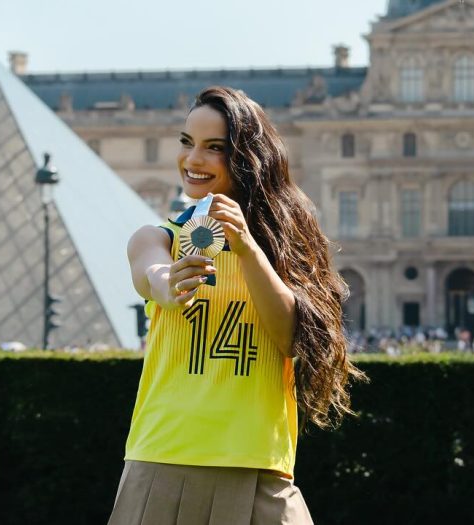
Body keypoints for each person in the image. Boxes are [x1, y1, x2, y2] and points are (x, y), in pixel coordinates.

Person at [109, 86, 365, 524]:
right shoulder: (157, 239)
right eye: (187, 142)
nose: (192, 159)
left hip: (259, 463)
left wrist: (246, 247)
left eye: (215, 148)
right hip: (164, 456)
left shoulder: (283, 254)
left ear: (248, 158)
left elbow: (290, 338)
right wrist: (169, 283)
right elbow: (151, 275)